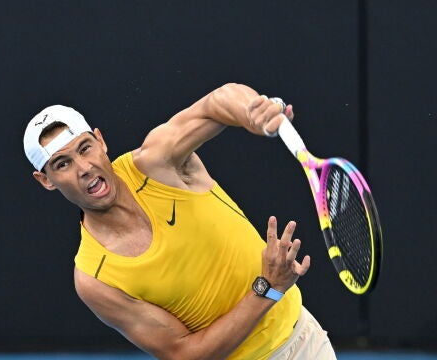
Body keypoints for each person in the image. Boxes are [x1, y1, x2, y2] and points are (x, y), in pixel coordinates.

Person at [23, 83, 336, 359]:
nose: (84, 168)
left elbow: (217, 102)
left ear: (100, 141)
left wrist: (253, 111)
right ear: (46, 180)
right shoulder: (95, 278)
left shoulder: (157, 162)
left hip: (303, 342)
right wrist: (268, 288)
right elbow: (185, 354)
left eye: (85, 148)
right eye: (62, 164)